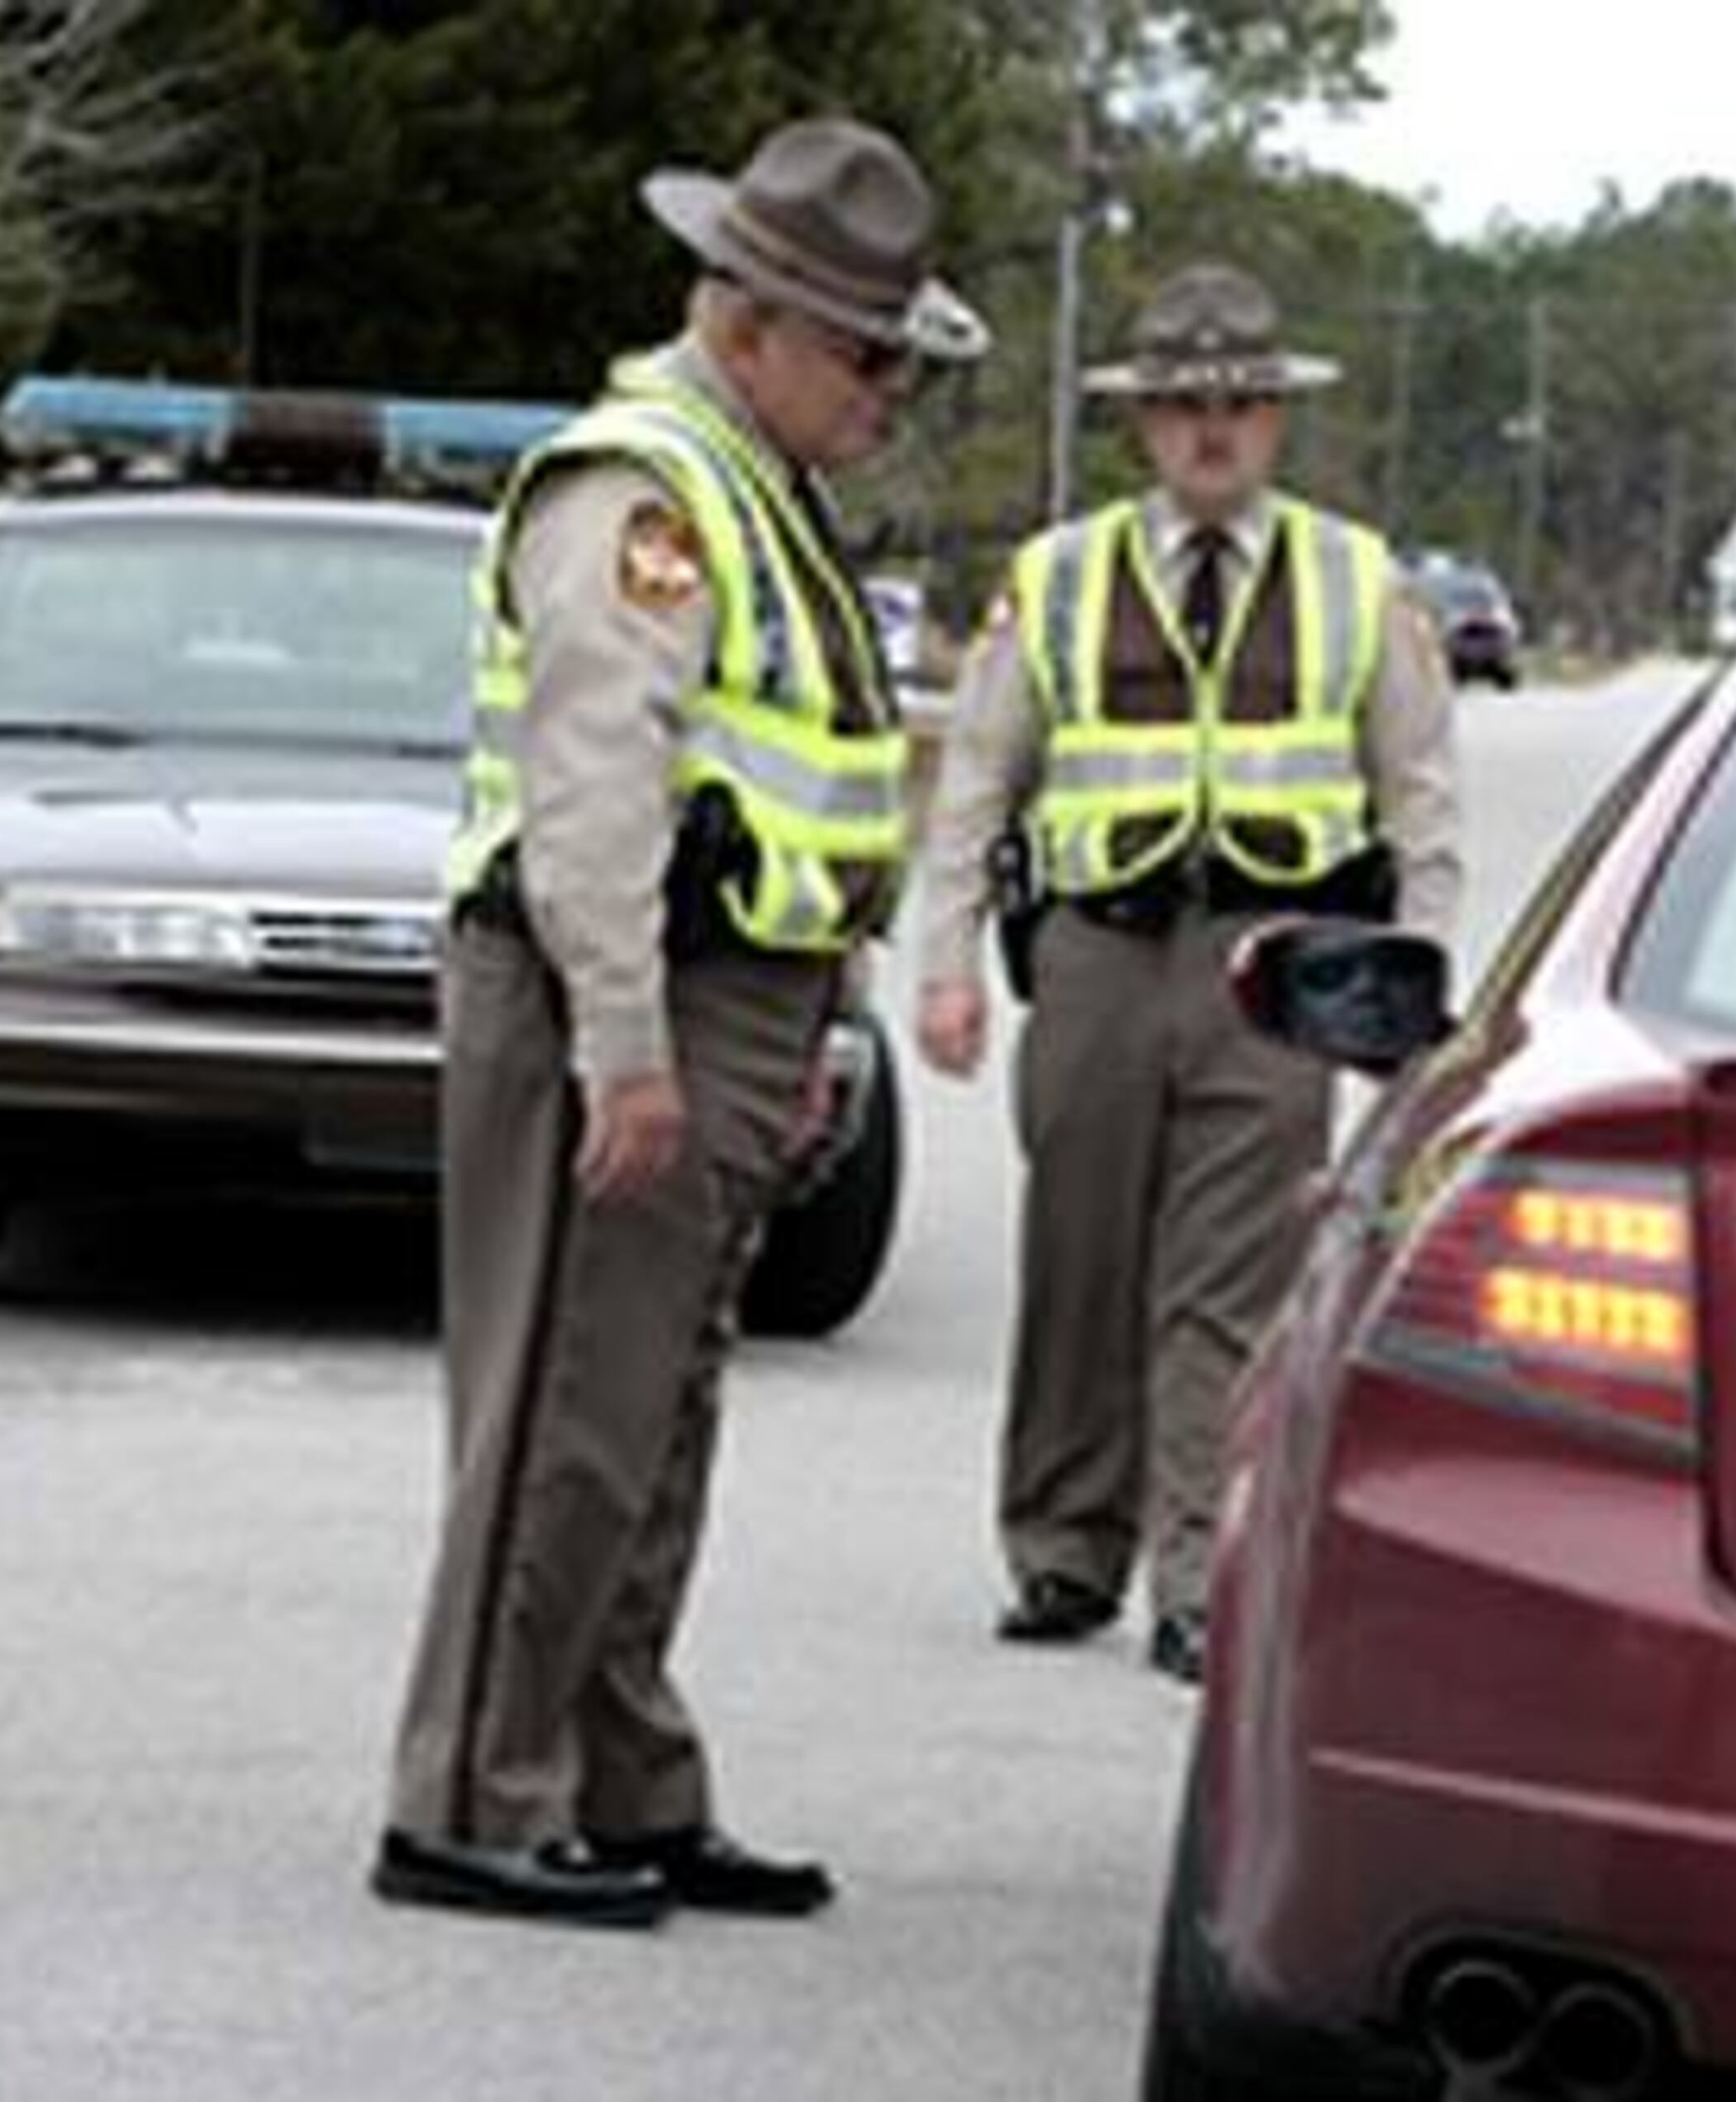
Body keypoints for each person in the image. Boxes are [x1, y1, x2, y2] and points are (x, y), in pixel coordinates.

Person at [372, 116, 987, 1927]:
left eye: (902, 360)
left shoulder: (759, 489)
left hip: (739, 1000)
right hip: (618, 989)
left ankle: (622, 1780)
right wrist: (624, 1047)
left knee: (652, 1415)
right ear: (748, 322)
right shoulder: (640, 490)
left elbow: (808, 786)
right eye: (867, 355)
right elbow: (596, 782)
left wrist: (812, 1029)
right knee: (568, 1409)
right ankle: (471, 1794)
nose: (889, 392)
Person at [912, 261, 1461, 1685]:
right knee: (1079, 1263)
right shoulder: (1059, 574)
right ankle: (1061, 1549)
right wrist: (947, 960)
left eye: (1240, 404)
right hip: (1097, 952)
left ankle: (1198, 1574)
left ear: (1277, 419)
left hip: (1274, 970)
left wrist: (1415, 993)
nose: (1212, 429)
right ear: (1142, 423)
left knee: (1230, 1280)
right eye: (1183, 406)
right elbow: (977, 776)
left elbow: (1421, 797)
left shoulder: (1358, 579)